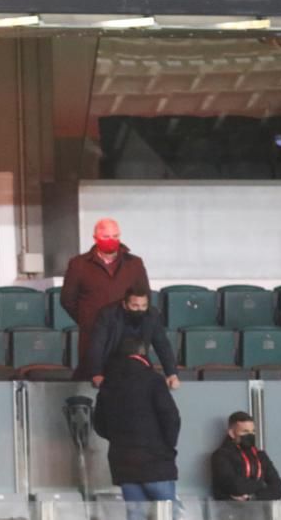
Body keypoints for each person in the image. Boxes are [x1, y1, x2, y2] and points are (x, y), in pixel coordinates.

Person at [93, 337, 181, 520]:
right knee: (167, 514)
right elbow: (170, 417)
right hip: (156, 462)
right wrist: (167, 446)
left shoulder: (108, 383)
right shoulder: (153, 380)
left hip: (123, 463)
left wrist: (119, 441)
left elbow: (99, 424)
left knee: (135, 515)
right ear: (142, 353)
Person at [61, 218, 151, 381]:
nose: (112, 240)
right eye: (106, 237)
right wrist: (87, 318)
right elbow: (68, 299)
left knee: (129, 380)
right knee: (93, 379)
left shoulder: (134, 263)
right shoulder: (79, 264)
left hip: (128, 334)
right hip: (93, 334)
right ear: (95, 238)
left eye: (115, 236)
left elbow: (145, 295)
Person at [87, 288, 179, 390]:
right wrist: (96, 373)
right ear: (124, 304)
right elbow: (97, 345)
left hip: (140, 363)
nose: (140, 309)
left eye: (144, 306)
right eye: (135, 306)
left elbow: (162, 344)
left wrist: (172, 373)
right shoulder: (107, 314)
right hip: (112, 363)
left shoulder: (152, 314)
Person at [211, 412, 281, 501]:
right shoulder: (220, 455)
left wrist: (252, 497)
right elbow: (235, 487)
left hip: (260, 512)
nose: (250, 435)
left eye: (253, 431)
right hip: (230, 512)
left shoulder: (260, 455)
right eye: (245, 431)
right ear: (232, 433)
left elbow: (278, 487)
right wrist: (261, 484)